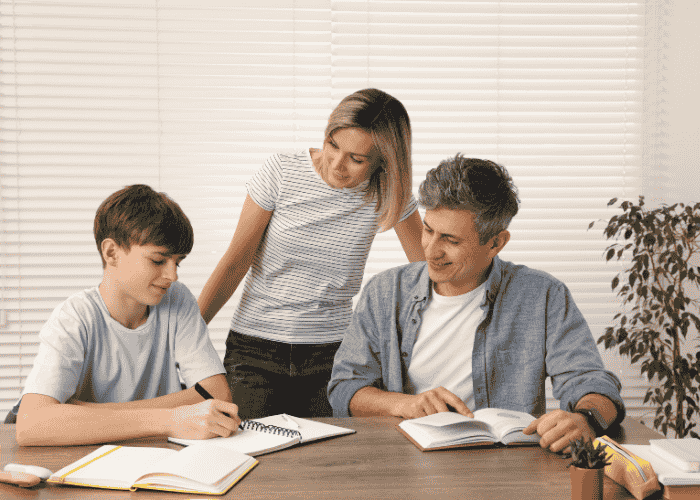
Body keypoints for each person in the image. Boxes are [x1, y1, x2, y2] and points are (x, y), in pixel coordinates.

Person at [327, 154, 625, 453]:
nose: (430, 251)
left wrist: (586, 419)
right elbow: (344, 389)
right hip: (402, 461)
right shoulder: (385, 291)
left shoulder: (542, 295)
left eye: (451, 240)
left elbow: (590, 381)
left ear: (496, 243)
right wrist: (406, 404)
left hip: (502, 467)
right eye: (428, 230)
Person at [198, 88, 425, 419]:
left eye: (357, 159)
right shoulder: (282, 171)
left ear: (382, 163)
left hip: (333, 357)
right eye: (333, 145)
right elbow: (235, 262)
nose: (337, 164)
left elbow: (429, 272)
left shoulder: (387, 192)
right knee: (255, 458)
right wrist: (186, 335)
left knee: (326, 464)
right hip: (254, 349)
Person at [10, 185, 241, 446]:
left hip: (158, 456)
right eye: (158, 260)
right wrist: (169, 419)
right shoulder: (75, 317)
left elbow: (216, 394)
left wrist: (91, 412)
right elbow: (31, 424)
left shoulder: (177, 299)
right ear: (111, 253)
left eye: (178, 262)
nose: (172, 275)